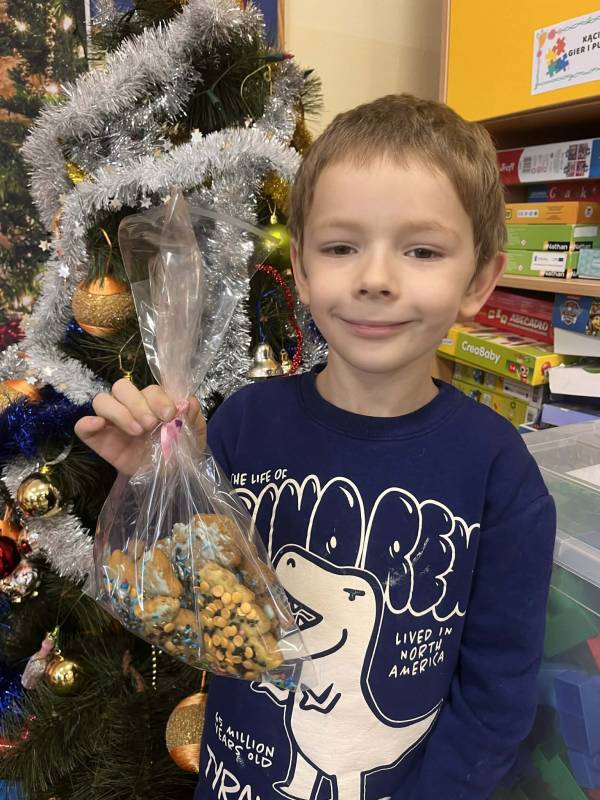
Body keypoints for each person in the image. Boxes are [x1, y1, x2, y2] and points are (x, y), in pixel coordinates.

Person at [75, 94, 556, 800]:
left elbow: (497, 698)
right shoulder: (243, 424)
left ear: (479, 280)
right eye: (340, 247)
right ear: (300, 269)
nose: (375, 279)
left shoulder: (499, 472)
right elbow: (192, 598)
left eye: (422, 251)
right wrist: (158, 476)